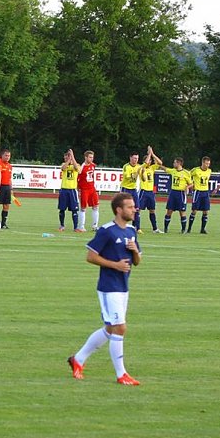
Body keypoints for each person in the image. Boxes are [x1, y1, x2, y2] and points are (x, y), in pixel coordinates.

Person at [67, 192, 142, 386]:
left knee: (111, 328)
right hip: (109, 287)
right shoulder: (107, 231)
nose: (134, 209)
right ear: (119, 210)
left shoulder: (132, 231)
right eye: (130, 207)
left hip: (124, 286)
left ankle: (78, 359)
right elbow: (91, 256)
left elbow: (138, 261)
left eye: (133, 206)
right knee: (120, 327)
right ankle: (121, 374)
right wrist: (114, 265)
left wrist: (135, 251)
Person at [159, 157, 192, 234]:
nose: (173, 164)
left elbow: (191, 183)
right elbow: (165, 169)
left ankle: (183, 230)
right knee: (169, 211)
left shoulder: (186, 173)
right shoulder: (173, 171)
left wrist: (187, 187)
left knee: (182, 212)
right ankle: (166, 228)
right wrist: (159, 164)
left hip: (181, 194)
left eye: (174, 163)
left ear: (179, 163)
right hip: (173, 193)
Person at [138, 146, 163, 233]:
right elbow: (146, 162)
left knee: (152, 210)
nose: (150, 162)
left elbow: (160, 163)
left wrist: (152, 154)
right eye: (149, 161)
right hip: (143, 191)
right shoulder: (141, 168)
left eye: (151, 161)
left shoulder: (152, 168)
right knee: (138, 209)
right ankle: (136, 227)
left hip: (150, 192)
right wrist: (149, 154)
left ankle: (155, 228)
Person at [58, 148, 81, 232]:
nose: (65, 159)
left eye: (67, 157)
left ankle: (76, 227)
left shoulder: (76, 165)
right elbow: (63, 168)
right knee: (62, 209)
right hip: (64, 189)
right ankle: (62, 225)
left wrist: (72, 157)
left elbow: (78, 169)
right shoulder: (64, 164)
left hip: (72, 190)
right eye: (65, 158)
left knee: (74, 210)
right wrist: (68, 161)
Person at [77, 150, 100, 232]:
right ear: (85, 157)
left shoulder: (93, 165)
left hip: (92, 189)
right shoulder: (82, 167)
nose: (91, 159)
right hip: (84, 189)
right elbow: (78, 178)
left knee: (96, 206)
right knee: (83, 208)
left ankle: (95, 226)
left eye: (92, 157)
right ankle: (81, 226)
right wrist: (78, 189)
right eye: (90, 157)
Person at [188, 156, 212, 234]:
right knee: (194, 211)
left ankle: (202, 229)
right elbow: (187, 175)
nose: (207, 165)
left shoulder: (209, 171)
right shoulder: (196, 170)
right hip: (197, 192)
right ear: (202, 163)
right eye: (206, 163)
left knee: (205, 211)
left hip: (205, 192)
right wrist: (191, 184)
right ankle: (189, 229)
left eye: (209, 164)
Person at [0, 148, 14, 228]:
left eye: (9, 156)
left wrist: (11, 189)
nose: (7, 157)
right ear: (2, 156)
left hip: (7, 187)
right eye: (6, 155)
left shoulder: (10, 166)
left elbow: (10, 178)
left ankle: (3, 223)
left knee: (6, 205)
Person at [120, 152, 142, 232]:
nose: (136, 160)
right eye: (134, 158)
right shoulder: (126, 166)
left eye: (137, 158)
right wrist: (137, 173)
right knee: (124, 208)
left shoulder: (139, 166)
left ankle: (137, 227)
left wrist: (143, 174)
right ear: (130, 158)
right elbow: (129, 177)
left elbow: (143, 176)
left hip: (133, 189)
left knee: (137, 208)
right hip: (125, 189)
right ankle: (121, 225)